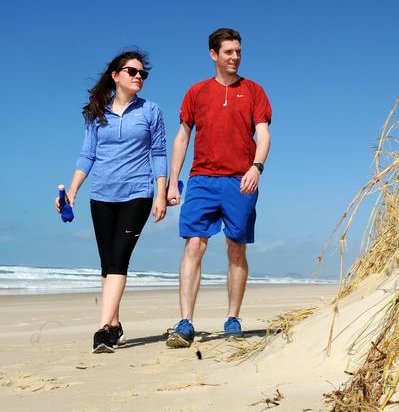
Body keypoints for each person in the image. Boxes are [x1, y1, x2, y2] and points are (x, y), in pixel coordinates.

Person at [55, 50, 168, 353]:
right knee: (107, 263)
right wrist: (73, 191)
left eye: (143, 73)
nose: (139, 77)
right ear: (116, 75)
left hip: (137, 194)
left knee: (119, 257)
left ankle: (103, 329)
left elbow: (158, 154)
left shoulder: (151, 111)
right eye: (133, 72)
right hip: (101, 195)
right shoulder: (98, 113)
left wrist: (160, 193)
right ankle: (115, 324)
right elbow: (87, 155)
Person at [166, 28, 271, 347]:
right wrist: (173, 181)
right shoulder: (196, 92)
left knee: (235, 247)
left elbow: (263, 133)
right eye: (228, 52)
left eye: (238, 51)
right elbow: (182, 137)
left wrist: (257, 166)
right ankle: (185, 322)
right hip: (201, 179)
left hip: (241, 179)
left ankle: (233, 318)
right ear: (214, 54)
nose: (235, 57)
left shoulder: (253, 90)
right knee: (194, 245)